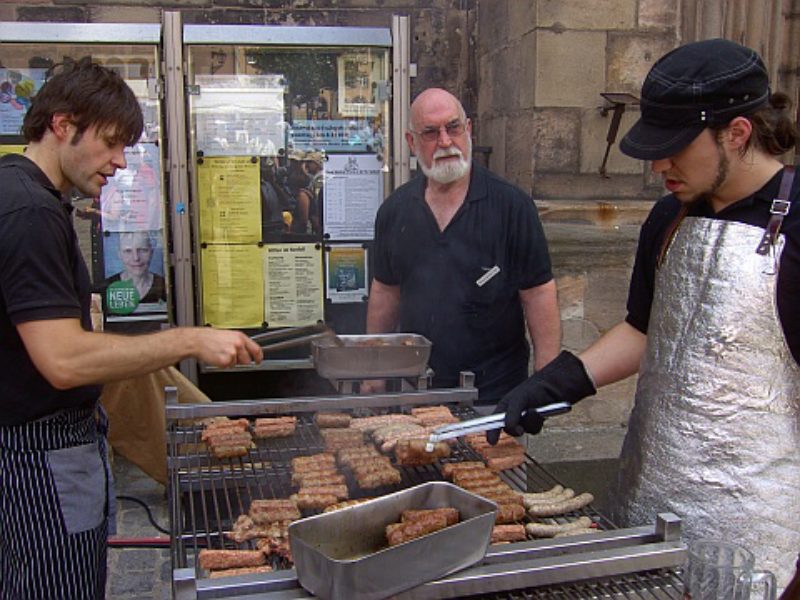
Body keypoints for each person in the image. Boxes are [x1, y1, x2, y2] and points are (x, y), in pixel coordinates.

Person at [489, 39, 800, 586]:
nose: (659, 165)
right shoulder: (669, 217)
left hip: (760, 539)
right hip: (650, 507)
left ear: (739, 133)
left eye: (675, 147)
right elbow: (644, 328)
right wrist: (560, 381)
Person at [0, 58, 262, 600]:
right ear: (63, 125)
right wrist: (191, 339)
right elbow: (63, 360)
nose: (120, 162)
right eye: (112, 142)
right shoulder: (29, 212)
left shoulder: (20, 192)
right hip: (38, 463)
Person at [366, 88, 561, 408]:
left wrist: (546, 375)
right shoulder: (394, 211)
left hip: (496, 394)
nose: (445, 141)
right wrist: (374, 371)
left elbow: (538, 293)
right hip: (417, 391)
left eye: (453, 127)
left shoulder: (512, 207)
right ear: (412, 143)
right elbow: (386, 292)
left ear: (468, 130)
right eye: (430, 132)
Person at [105, 231, 166, 305]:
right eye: (128, 251)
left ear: (151, 252)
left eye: (143, 250)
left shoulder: (164, 286)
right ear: (119, 254)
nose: (136, 258)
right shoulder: (107, 287)